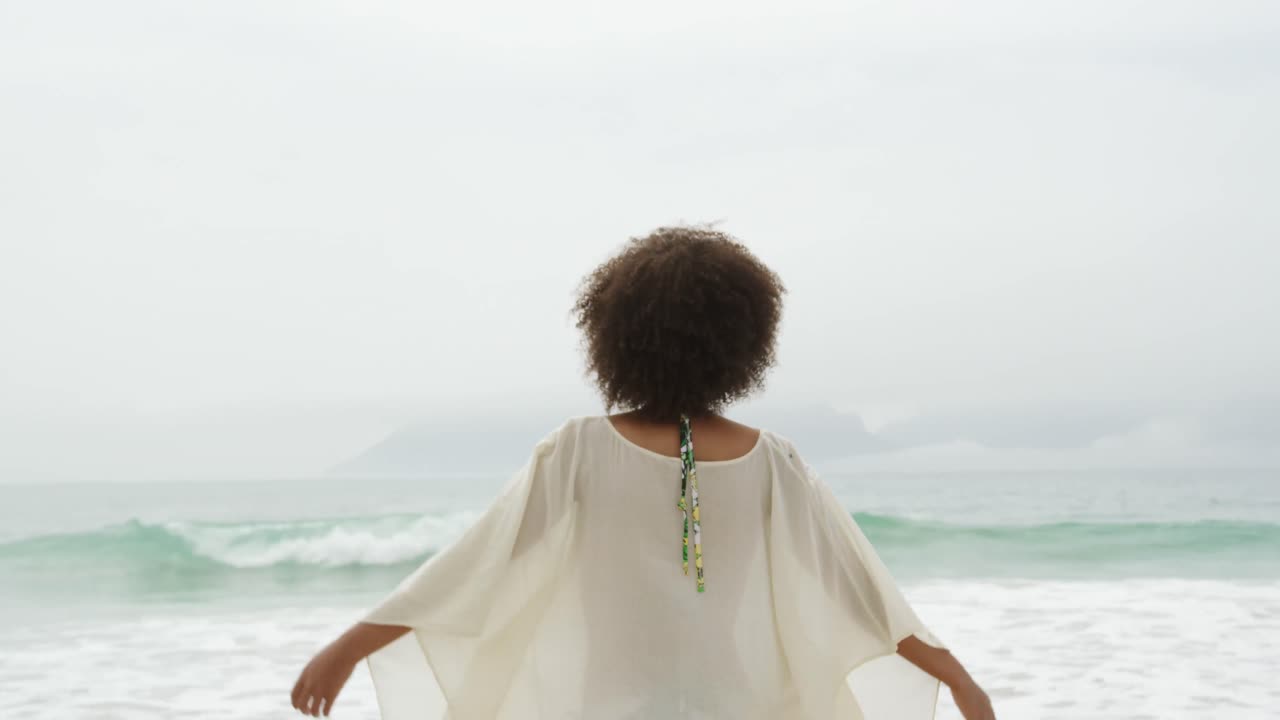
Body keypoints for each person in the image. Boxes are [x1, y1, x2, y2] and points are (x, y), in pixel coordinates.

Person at [290, 227, 996, 719]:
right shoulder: (775, 463)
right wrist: (959, 681)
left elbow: (478, 565)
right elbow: (861, 590)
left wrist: (350, 646)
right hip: (742, 706)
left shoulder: (578, 450)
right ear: (744, 340)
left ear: (616, 336)